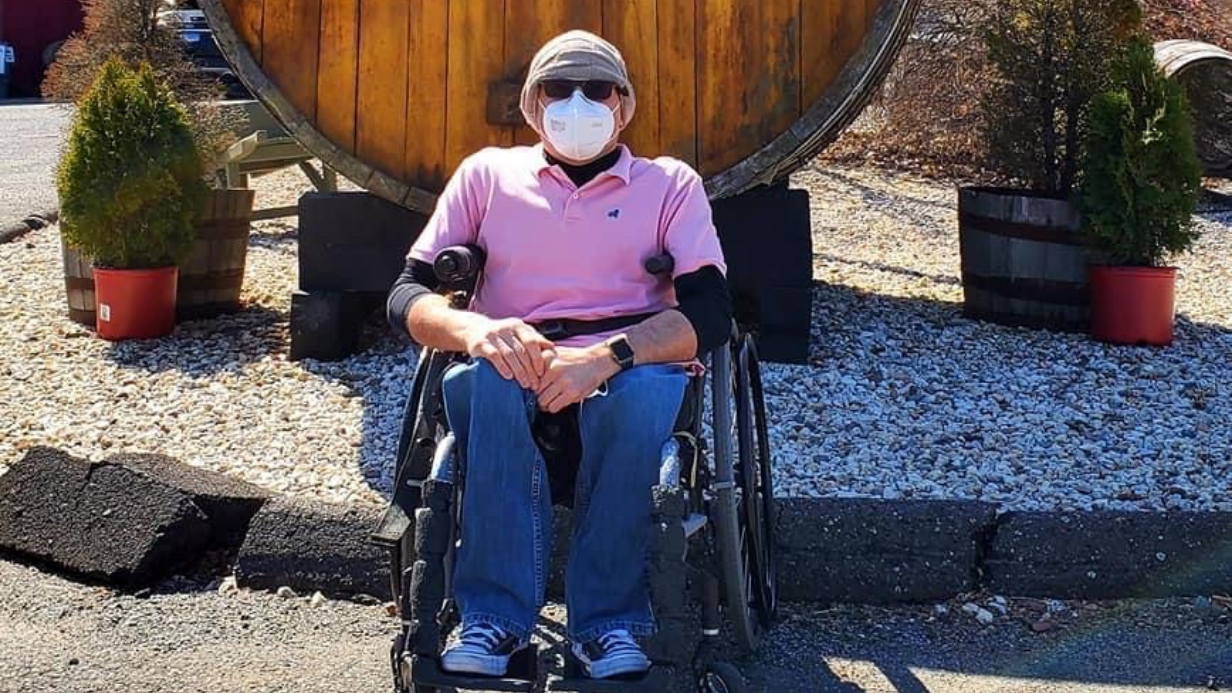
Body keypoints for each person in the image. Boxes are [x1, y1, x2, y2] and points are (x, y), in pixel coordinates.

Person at [386, 30, 731, 680]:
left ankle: (608, 624)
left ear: (623, 105)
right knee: (484, 381)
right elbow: (406, 294)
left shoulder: (669, 185)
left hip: (627, 361)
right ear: (532, 104)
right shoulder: (487, 175)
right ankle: (493, 620)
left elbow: (711, 313)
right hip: (513, 355)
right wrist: (473, 330)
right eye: (559, 88)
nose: (578, 103)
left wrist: (606, 357)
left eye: (596, 89)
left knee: (641, 395)